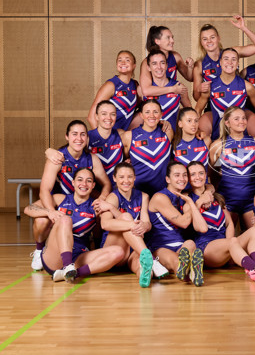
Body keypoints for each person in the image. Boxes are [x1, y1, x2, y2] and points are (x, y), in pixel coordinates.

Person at [31, 120, 111, 271]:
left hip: (84, 203)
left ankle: (96, 247)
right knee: (41, 220)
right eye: (74, 134)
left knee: (103, 213)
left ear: (87, 138)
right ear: (67, 137)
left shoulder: (92, 159)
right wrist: (51, 211)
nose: (79, 138)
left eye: (83, 135)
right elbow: (44, 190)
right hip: (63, 204)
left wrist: (101, 200)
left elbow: (106, 184)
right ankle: (39, 249)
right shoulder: (57, 158)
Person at [24, 168, 124, 282]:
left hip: (79, 255)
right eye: (80, 180)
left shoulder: (96, 207)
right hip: (56, 255)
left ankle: (72, 274)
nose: (84, 184)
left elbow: (119, 220)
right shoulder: (60, 199)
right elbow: (28, 209)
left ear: (93, 185)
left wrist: (111, 207)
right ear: (73, 183)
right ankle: (67, 266)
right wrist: (49, 212)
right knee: (65, 220)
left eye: (89, 181)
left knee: (118, 251)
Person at [187, 161, 255, 282]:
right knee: (233, 241)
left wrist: (230, 246)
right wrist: (199, 202)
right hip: (206, 248)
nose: (198, 177)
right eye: (193, 174)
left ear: (206, 175)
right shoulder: (189, 202)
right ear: (188, 179)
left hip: (225, 245)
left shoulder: (216, 197)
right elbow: (200, 227)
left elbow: (229, 223)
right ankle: (254, 269)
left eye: (201, 173)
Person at [96, 162, 157, 287]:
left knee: (143, 266)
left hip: (133, 248)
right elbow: (105, 224)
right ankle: (148, 255)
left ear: (134, 178)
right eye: (121, 177)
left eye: (130, 177)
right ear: (114, 178)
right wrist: (132, 224)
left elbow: (147, 223)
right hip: (113, 249)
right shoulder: (112, 198)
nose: (126, 181)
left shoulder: (143, 196)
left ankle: (145, 277)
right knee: (125, 216)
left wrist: (145, 226)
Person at [209, 106, 255, 229]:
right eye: (236, 119)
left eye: (244, 118)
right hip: (227, 201)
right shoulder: (217, 146)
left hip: (251, 201)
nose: (242, 121)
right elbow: (213, 174)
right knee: (226, 241)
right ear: (227, 123)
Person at [145, 162, 201, 284]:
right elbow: (183, 222)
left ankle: (190, 270)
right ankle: (191, 273)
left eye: (185, 175)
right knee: (177, 261)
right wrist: (196, 203)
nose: (182, 179)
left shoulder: (184, 196)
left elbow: (208, 186)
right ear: (168, 179)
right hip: (160, 246)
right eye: (177, 175)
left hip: (180, 245)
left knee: (190, 243)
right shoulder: (160, 197)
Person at [192, 16, 255, 102]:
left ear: (218, 38)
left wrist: (243, 28)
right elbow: (197, 98)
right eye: (205, 39)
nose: (209, 41)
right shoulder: (200, 65)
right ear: (201, 42)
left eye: (212, 37)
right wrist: (199, 89)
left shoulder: (232, 53)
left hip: (238, 104)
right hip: (215, 107)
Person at [197, 48, 255, 139]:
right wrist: (197, 130)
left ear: (237, 64)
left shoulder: (247, 86)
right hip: (217, 136)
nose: (230, 62)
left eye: (233, 59)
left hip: (241, 136)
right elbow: (198, 109)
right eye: (226, 59)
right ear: (220, 62)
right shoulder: (210, 86)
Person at [121, 99, 173, 195]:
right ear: (141, 115)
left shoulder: (167, 132)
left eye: (155, 112)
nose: (152, 115)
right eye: (147, 112)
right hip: (137, 192)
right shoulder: (129, 136)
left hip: (163, 192)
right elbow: (124, 159)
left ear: (161, 114)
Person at [88, 50, 139, 131]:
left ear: (134, 66)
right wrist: (101, 138)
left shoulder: (135, 85)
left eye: (127, 60)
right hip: (109, 135)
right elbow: (91, 116)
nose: (123, 62)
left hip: (124, 134)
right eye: (120, 60)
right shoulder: (111, 85)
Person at [142, 49, 192, 130]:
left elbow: (190, 111)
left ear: (166, 65)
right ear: (148, 67)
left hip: (175, 137)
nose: (159, 67)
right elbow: (139, 116)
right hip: (151, 138)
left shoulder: (179, 86)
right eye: (154, 63)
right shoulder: (143, 90)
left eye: (162, 63)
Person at [139, 25, 193, 94]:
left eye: (172, 37)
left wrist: (190, 67)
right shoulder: (146, 62)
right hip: (154, 100)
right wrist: (173, 89)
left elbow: (190, 78)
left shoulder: (175, 56)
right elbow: (146, 91)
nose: (172, 41)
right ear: (157, 41)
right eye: (168, 38)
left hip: (171, 99)